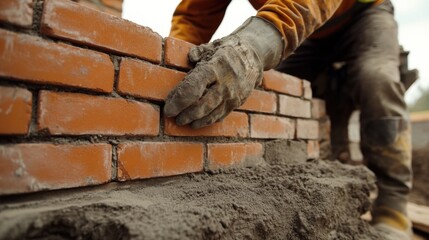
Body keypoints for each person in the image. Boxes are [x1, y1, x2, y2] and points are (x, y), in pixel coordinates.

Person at [164, 0, 413, 239]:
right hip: (311, 32)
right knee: (268, 89)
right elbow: (194, 17)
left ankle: (393, 204)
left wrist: (252, 46)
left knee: (377, 79)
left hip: (362, 15)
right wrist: (171, 65)